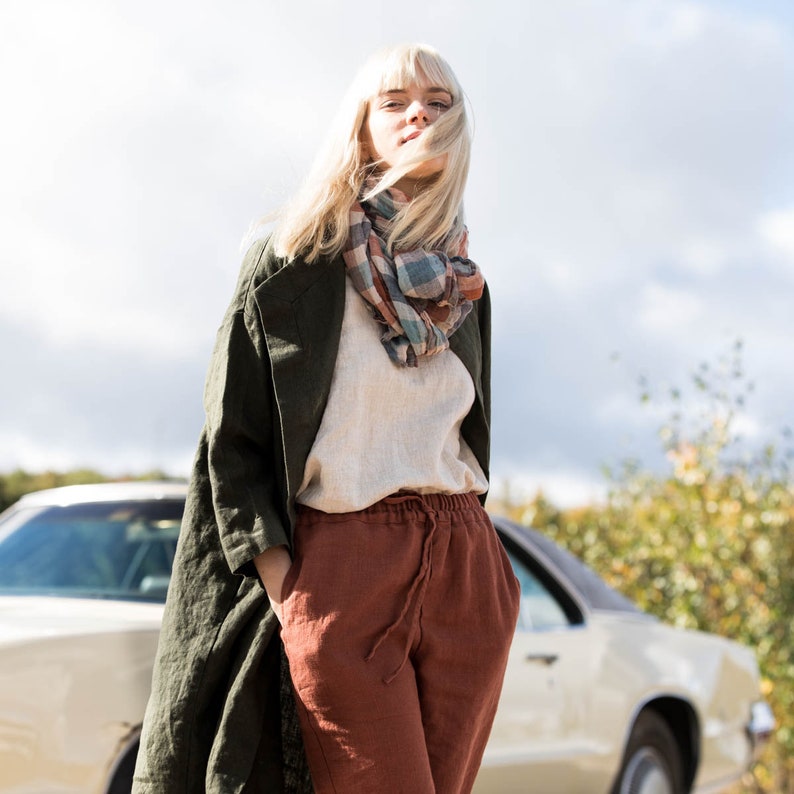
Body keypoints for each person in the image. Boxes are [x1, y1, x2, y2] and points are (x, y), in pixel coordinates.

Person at [132, 43, 520, 794]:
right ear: (360, 125)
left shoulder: (466, 283)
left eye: (440, 103)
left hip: (464, 565)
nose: (420, 113)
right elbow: (232, 445)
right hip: (345, 557)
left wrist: (478, 564)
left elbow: (466, 437)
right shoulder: (292, 258)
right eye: (397, 101)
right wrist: (295, 594)